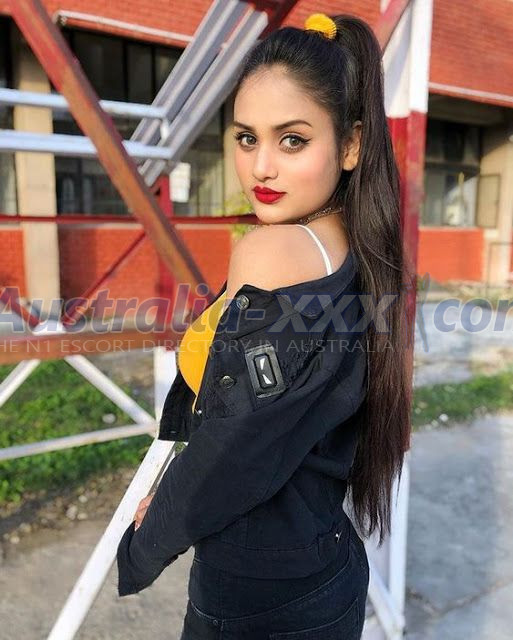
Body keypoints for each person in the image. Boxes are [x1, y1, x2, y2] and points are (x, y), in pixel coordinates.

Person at [117, 12, 412, 639]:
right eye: (247, 138)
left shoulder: (273, 251)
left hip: (256, 595)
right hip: (328, 567)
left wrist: (147, 541)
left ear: (352, 145)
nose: (261, 167)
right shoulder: (358, 249)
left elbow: (233, 445)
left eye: (293, 140)